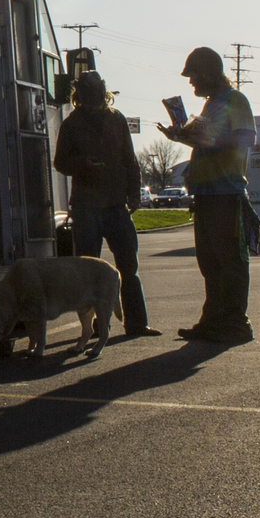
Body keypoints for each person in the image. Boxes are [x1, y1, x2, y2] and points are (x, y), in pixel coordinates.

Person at [157, 46, 256, 344]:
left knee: (230, 262)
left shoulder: (234, 100)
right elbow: (208, 141)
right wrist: (185, 136)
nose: (191, 83)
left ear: (210, 73)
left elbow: (246, 137)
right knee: (210, 263)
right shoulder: (212, 103)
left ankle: (236, 324)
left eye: (194, 75)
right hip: (207, 194)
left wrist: (206, 140)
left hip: (227, 193)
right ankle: (213, 322)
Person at [50, 70, 156, 336]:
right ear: (79, 94)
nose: (92, 93)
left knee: (128, 268)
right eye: (86, 89)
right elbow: (60, 163)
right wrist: (81, 164)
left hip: (115, 205)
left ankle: (137, 323)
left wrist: (134, 193)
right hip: (86, 206)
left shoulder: (116, 119)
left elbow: (129, 160)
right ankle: (97, 326)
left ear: (103, 90)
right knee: (87, 271)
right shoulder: (71, 124)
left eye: (96, 88)